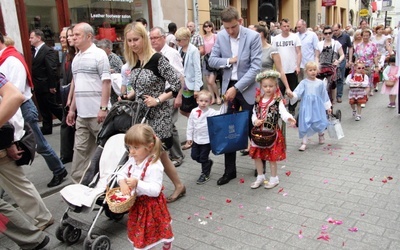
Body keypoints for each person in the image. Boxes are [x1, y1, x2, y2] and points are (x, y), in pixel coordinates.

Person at [122, 22, 186, 203]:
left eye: (136, 39)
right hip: (141, 114)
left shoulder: (157, 59)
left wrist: (157, 100)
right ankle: (171, 186)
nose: (133, 44)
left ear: (144, 38)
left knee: (155, 153)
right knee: (158, 154)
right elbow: (139, 87)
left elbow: (176, 83)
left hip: (159, 114)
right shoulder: (135, 62)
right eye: (129, 41)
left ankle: (153, 189)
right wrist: (129, 95)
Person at [0, 32, 68, 187]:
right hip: (16, 108)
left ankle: (59, 170)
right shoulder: (5, 59)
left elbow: (14, 96)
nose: (29, 39)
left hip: (21, 108)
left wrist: (14, 135)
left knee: (40, 144)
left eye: (32, 37)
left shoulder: (12, 60)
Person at [208, 6, 262, 185]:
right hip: (228, 87)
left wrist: (236, 88)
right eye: (226, 28)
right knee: (228, 128)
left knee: (252, 129)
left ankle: (259, 166)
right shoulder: (221, 36)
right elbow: (212, 60)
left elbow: (255, 68)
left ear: (240, 22)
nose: (230, 31)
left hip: (246, 88)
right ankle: (229, 171)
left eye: (233, 27)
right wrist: (229, 60)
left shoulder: (253, 37)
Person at [0, 74, 50, 250]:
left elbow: (14, 99)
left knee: (19, 185)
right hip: (5, 139)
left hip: (5, 141)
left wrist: (10, 142)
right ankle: (35, 231)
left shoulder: (11, 60)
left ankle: (37, 227)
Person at [66, 22, 112, 183]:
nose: (73, 38)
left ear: (89, 36)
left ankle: (107, 183)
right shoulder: (76, 58)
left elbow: (106, 82)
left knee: (104, 150)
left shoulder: (99, 55)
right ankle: (79, 184)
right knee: (79, 150)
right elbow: (77, 85)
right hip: (82, 115)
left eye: (77, 35)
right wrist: (72, 109)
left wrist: (103, 108)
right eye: (72, 35)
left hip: (97, 114)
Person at [117, 123, 173, 249]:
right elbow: (121, 172)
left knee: (150, 233)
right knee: (141, 233)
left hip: (151, 206)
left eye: (136, 147)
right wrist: (122, 183)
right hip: (137, 205)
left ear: (149, 146)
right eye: (129, 146)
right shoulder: (133, 159)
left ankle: (166, 244)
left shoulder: (154, 166)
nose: (131, 151)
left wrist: (137, 183)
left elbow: (155, 190)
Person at [249, 70, 296, 189]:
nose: (268, 88)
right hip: (259, 132)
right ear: (261, 86)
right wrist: (255, 121)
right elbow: (253, 113)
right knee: (257, 156)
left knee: (271, 157)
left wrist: (289, 118)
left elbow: (283, 113)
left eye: (271, 86)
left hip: (271, 133)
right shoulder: (258, 100)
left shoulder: (277, 101)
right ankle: (260, 176)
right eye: (265, 86)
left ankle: (274, 178)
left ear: (276, 86)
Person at [149, 26, 185, 167]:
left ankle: (176, 155)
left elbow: (180, 76)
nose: (153, 41)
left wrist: (179, 96)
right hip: (156, 96)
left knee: (169, 124)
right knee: (163, 126)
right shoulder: (151, 53)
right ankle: (167, 153)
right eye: (151, 38)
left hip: (170, 94)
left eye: (156, 38)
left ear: (164, 38)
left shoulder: (171, 53)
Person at [290, 61, 332, 151]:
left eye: (314, 70)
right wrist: (292, 95)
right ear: (306, 71)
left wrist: (328, 107)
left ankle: (321, 135)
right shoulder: (304, 83)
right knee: (305, 122)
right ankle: (304, 142)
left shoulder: (320, 83)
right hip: (306, 107)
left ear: (317, 71)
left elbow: (324, 95)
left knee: (318, 121)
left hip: (317, 106)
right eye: (310, 70)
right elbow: (298, 92)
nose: (313, 72)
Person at [29, 29, 63, 135]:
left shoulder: (47, 50)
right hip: (38, 85)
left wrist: (52, 85)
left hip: (47, 84)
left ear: (39, 38)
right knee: (43, 107)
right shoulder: (35, 51)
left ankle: (67, 120)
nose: (29, 39)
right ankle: (47, 127)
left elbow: (51, 68)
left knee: (52, 106)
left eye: (32, 37)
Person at [186, 90, 219, 184]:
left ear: (210, 102)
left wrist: (226, 103)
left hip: (207, 140)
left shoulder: (211, 112)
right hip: (196, 139)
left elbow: (221, 112)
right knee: (194, 156)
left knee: (203, 157)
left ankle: (205, 174)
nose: (203, 103)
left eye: (206, 101)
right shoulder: (193, 111)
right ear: (197, 101)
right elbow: (190, 125)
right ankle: (208, 163)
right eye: (201, 100)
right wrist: (189, 137)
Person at [271, 18, 302, 115]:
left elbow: (299, 52)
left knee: (293, 90)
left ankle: (292, 108)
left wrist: (297, 66)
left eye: (288, 26)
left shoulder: (295, 37)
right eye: (284, 26)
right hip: (280, 70)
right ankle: (280, 109)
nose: (286, 28)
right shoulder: (276, 39)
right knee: (280, 91)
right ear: (280, 27)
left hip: (292, 69)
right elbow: (272, 53)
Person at [175, 27, 202, 118]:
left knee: (192, 111)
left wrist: (196, 88)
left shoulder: (194, 50)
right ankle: (193, 126)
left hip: (191, 84)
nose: (178, 42)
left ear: (187, 39)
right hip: (183, 84)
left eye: (179, 40)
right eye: (177, 40)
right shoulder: (179, 49)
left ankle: (195, 127)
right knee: (183, 110)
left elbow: (197, 70)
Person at [59, 26, 76, 164]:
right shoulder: (66, 54)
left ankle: (68, 153)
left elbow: (75, 80)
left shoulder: (77, 55)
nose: (65, 39)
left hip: (75, 94)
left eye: (67, 36)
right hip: (67, 92)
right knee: (66, 123)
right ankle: (66, 153)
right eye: (64, 37)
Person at [316, 25, 345, 103]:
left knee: (332, 84)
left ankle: (333, 100)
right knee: (320, 84)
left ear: (332, 33)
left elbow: (342, 54)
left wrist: (338, 61)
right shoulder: (319, 44)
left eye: (329, 33)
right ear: (323, 34)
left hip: (332, 66)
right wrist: (317, 64)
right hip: (322, 67)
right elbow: (317, 56)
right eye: (326, 33)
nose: (328, 35)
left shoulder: (336, 43)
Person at [353, 29, 379, 97]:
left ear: (369, 36)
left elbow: (375, 56)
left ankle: (369, 90)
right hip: (360, 65)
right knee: (361, 79)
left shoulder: (373, 45)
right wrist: (355, 64)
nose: (365, 37)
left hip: (369, 64)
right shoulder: (358, 45)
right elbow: (356, 55)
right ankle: (361, 92)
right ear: (362, 36)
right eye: (364, 35)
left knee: (369, 78)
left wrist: (376, 66)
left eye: (367, 35)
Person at [97, 38, 123, 104]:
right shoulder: (101, 57)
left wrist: (110, 70)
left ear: (108, 49)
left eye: (101, 48)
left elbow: (120, 70)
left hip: (113, 89)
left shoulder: (114, 58)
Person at [332, 23, 353, 103]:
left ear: (340, 28)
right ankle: (332, 96)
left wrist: (350, 59)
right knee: (332, 78)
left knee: (340, 78)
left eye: (336, 30)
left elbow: (350, 47)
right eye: (333, 31)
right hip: (333, 59)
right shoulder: (331, 37)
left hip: (342, 59)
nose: (335, 32)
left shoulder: (346, 36)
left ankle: (339, 95)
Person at [202, 21, 221, 105]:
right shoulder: (202, 37)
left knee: (211, 81)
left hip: (213, 59)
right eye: (206, 26)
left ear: (212, 27)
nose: (208, 27)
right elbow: (202, 49)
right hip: (206, 59)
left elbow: (219, 47)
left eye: (209, 26)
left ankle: (218, 96)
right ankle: (212, 98)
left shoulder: (215, 36)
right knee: (207, 81)